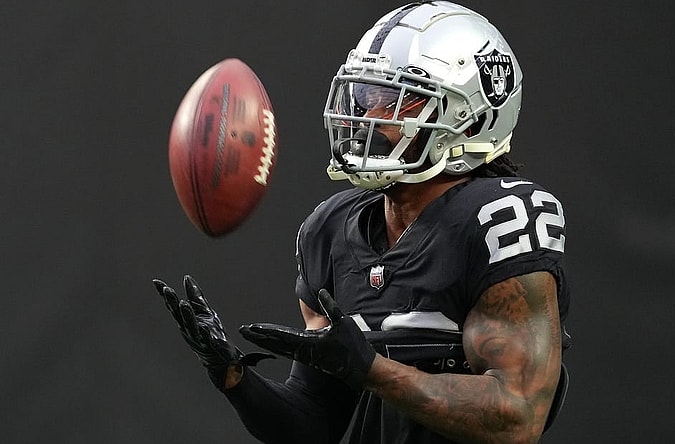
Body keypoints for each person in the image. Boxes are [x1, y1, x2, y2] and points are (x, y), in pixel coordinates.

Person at [154, 1, 572, 443]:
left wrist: (371, 369)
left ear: (469, 118)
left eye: (396, 101)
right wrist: (234, 378)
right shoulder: (331, 229)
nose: (369, 117)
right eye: (368, 97)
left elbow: (518, 414)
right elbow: (313, 421)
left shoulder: (499, 218)